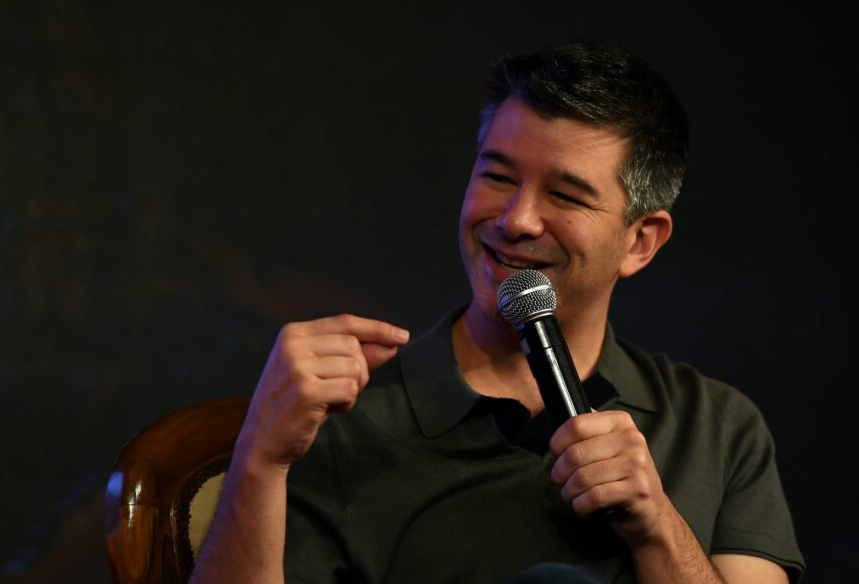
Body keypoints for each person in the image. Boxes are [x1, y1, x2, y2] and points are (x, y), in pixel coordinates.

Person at [190, 41, 804, 583]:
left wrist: (657, 528)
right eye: (498, 176)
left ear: (640, 241)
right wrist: (259, 459)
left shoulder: (718, 427)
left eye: (565, 195)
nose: (516, 220)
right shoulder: (347, 421)